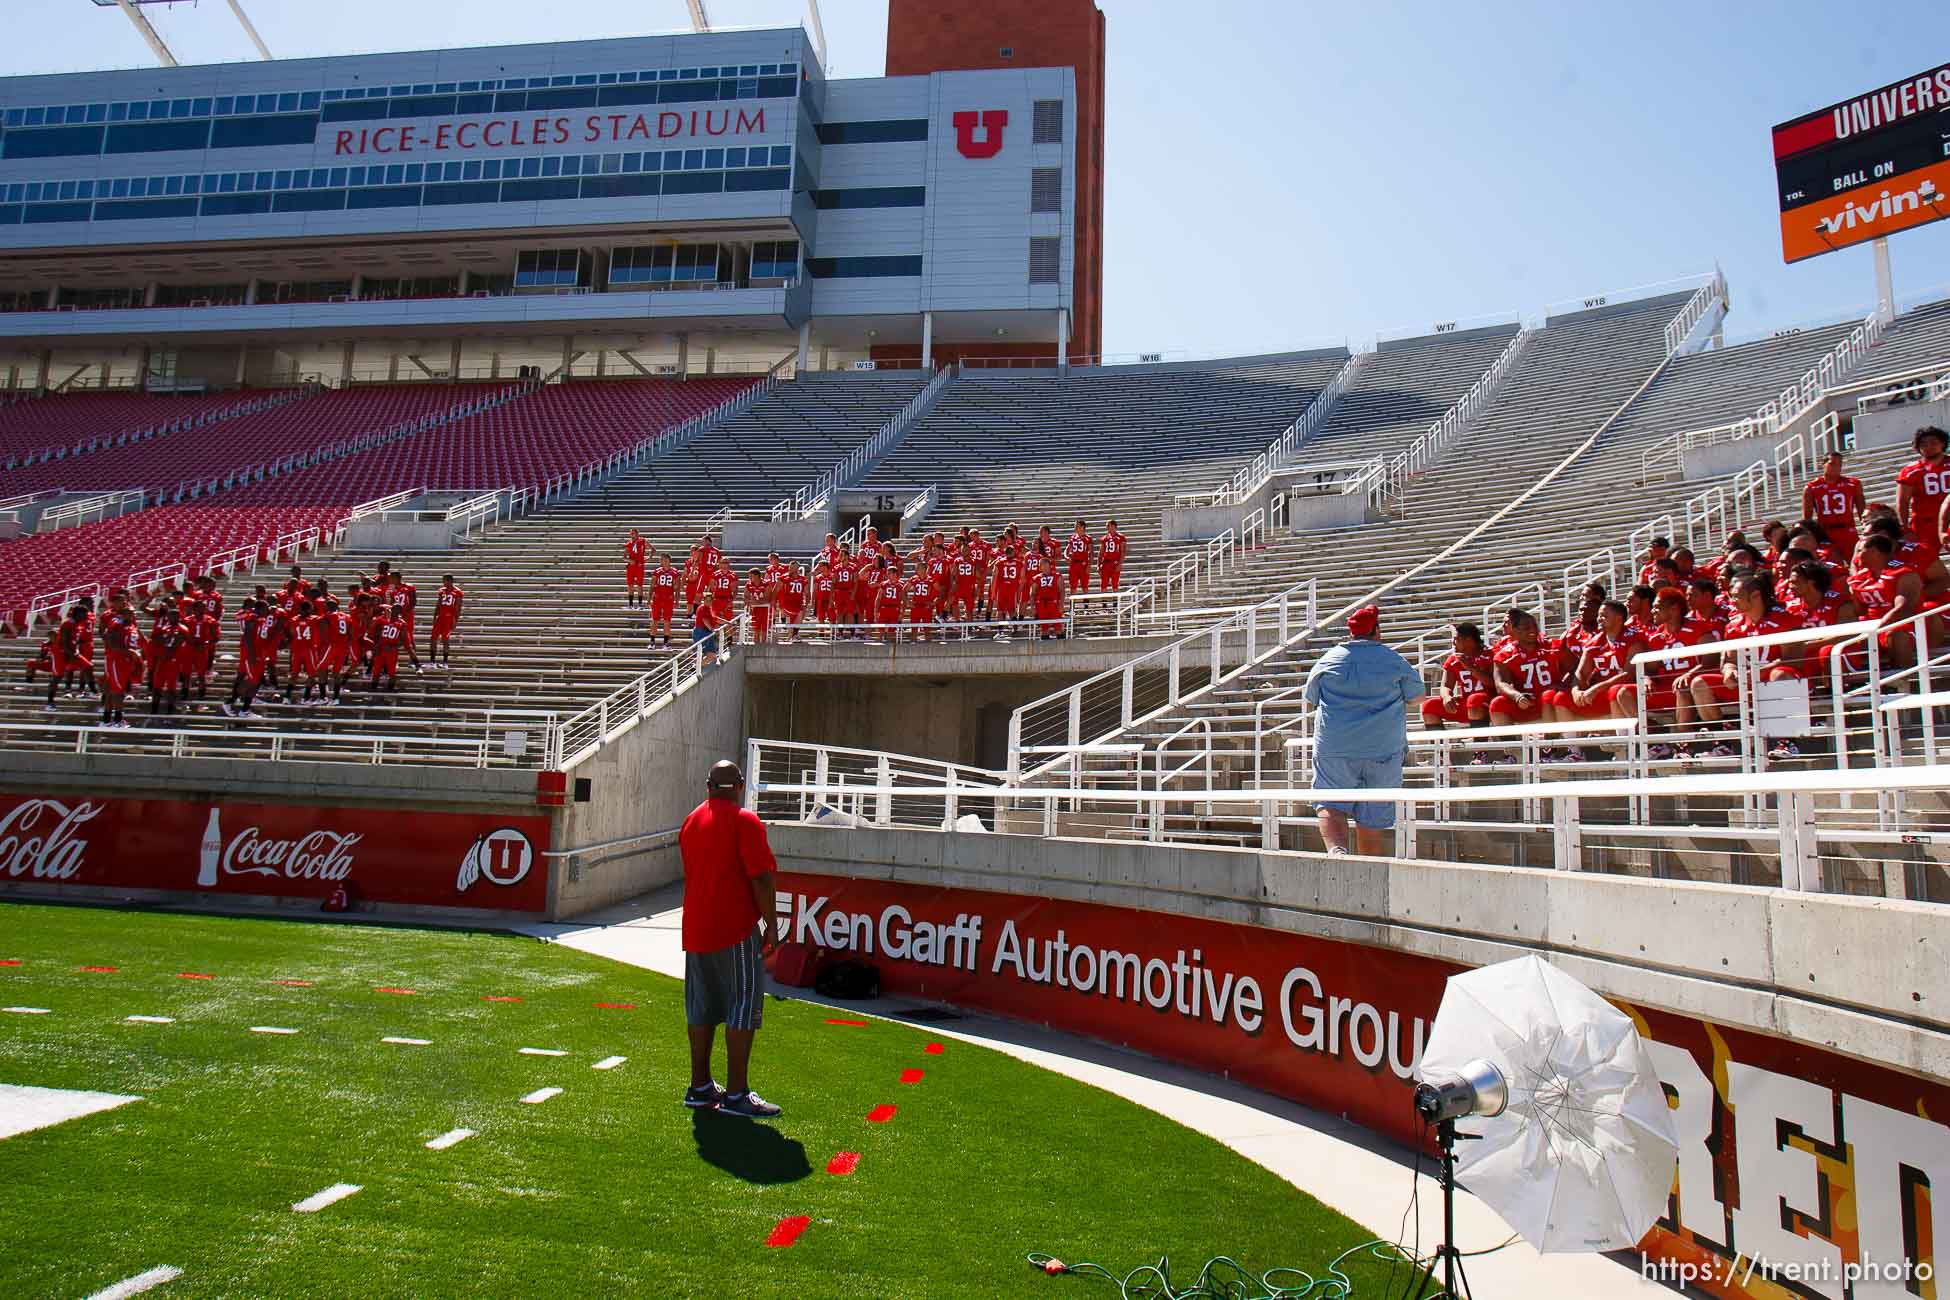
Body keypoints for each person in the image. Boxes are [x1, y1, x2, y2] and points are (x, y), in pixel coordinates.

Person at [679, 760, 782, 1119]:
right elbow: (762, 878)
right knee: (742, 1006)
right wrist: (772, 924)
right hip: (735, 931)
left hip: (695, 929)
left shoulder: (692, 820)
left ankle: (700, 1086)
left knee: (701, 1007)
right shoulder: (744, 821)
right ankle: (737, 1093)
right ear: (740, 785)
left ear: (708, 786)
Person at [1302, 604, 1424, 856]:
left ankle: (1337, 853)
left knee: (1330, 803)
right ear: (1376, 631)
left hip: (1335, 747)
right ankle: (1368, 866)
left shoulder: (1330, 659)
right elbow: (1417, 697)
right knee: (1372, 815)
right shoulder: (1392, 659)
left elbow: (1310, 699)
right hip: (1383, 749)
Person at [1896, 426, 1950, 563]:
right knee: (1924, 562)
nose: (1929, 447)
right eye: (1923, 444)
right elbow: (1902, 502)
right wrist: (1904, 528)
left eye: (1933, 442)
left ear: (1943, 443)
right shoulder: (1911, 470)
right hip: (1925, 523)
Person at [649, 551, 681, 649]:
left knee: (667, 621)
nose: (662, 561)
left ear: (669, 560)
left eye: (664, 559)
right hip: (657, 598)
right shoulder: (657, 571)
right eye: (661, 559)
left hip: (668, 599)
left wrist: (677, 601)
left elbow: (677, 588)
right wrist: (649, 599)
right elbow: (652, 586)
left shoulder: (675, 572)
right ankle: (652, 642)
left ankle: (665, 643)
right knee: (654, 620)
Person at [1099, 519, 1126, 592]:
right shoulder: (1104, 538)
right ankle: (1104, 603)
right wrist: (1099, 565)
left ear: (1113, 526)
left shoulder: (1120, 537)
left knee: (1115, 584)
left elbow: (1123, 551)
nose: (1107, 527)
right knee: (1103, 584)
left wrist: (1120, 564)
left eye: (1108, 525)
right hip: (1106, 563)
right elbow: (1101, 552)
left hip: (1115, 562)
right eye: (1107, 526)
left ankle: (1115, 603)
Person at [624, 528, 648, 608]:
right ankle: (630, 604)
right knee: (630, 585)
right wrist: (629, 560)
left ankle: (640, 603)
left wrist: (648, 558)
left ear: (637, 534)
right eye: (631, 534)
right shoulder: (629, 543)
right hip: (631, 567)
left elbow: (653, 549)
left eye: (633, 533)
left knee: (639, 585)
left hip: (639, 566)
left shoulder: (642, 541)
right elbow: (624, 557)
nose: (632, 535)